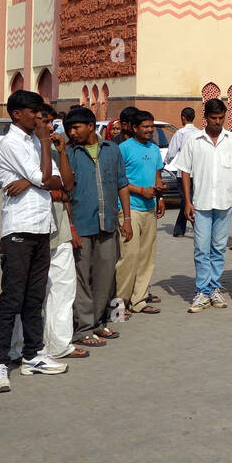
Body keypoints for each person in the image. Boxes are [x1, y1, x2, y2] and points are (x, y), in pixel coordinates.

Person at [0, 89, 71, 393]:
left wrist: (36, 175)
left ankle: (32, 355)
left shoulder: (35, 141)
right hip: (18, 231)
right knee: (12, 298)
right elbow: (45, 179)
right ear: (16, 113)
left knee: (35, 298)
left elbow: (61, 181)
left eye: (40, 111)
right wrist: (44, 153)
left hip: (41, 227)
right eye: (33, 111)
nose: (39, 116)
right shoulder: (11, 144)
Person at [8, 104, 81, 361]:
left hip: (56, 222)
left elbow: (65, 185)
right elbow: (45, 182)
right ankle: (18, 347)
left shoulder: (48, 148)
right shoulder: (21, 146)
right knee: (27, 292)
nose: (50, 127)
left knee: (62, 288)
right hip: (30, 227)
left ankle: (59, 344)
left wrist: (59, 154)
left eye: (51, 122)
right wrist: (40, 180)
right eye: (45, 121)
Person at [65, 106, 131, 346]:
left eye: (76, 127)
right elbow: (65, 192)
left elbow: (122, 184)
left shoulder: (111, 150)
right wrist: (70, 226)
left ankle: (99, 321)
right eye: (69, 128)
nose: (72, 133)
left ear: (91, 126)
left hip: (108, 222)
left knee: (105, 276)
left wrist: (128, 219)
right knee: (82, 278)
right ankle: (83, 327)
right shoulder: (68, 153)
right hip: (81, 225)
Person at [176, 99, 232, 311]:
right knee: (201, 248)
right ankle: (201, 292)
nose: (217, 122)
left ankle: (214, 289)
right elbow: (185, 173)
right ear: (205, 117)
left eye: (221, 118)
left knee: (218, 248)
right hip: (201, 203)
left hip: (225, 204)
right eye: (213, 118)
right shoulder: (193, 140)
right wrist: (187, 202)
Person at [116, 109, 166, 315]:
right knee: (129, 256)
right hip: (129, 209)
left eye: (151, 126)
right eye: (145, 126)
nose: (149, 130)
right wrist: (140, 191)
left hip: (149, 208)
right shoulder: (123, 149)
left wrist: (159, 195)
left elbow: (157, 175)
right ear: (134, 128)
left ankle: (139, 300)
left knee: (147, 257)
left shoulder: (154, 149)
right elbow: (119, 182)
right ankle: (119, 303)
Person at [165, 106, 200, 238]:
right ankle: (179, 229)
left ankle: (198, 227)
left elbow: (172, 151)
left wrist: (165, 162)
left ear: (183, 118)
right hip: (196, 172)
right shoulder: (199, 132)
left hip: (183, 172)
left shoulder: (180, 133)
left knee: (188, 200)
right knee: (187, 200)